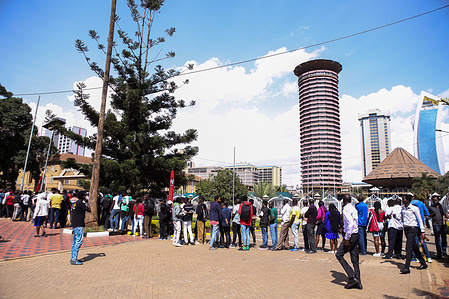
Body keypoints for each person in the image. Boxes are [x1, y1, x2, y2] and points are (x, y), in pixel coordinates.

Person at [336, 194, 362, 290]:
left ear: (343, 201)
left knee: (339, 254)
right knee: (354, 258)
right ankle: (358, 282)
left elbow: (350, 224)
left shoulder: (346, 209)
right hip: (356, 234)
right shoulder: (353, 208)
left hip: (351, 235)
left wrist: (347, 238)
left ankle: (352, 276)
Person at [400, 193, 427, 274]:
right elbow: (401, 218)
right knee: (414, 246)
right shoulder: (403, 209)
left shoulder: (414, 208)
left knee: (408, 247)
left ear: (408, 200)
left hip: (413, 228)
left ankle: (407, 267)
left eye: (404, 199)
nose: (403, 200)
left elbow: (419, 219)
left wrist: (422, 230)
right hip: (406, 228)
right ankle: (423, 263)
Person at [70, 190, 91, 265]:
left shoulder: (75, 203)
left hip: (74, 224)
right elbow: (89, 209)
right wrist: (87, 202)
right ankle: (74, 259)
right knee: (79, 241)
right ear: (83, 197)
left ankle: (73, 257)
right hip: (79, 224)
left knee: (75, 241)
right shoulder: (81, 204)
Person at [410, 195, 431, 263]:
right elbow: (427, 213)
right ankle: (427, 257)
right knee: (422, 241)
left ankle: (414, 257)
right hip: (421, 225)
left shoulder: (409, 204)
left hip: (413, 225)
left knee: (414, 241)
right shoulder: (421, 203)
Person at [428, 192, 448, 259]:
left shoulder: (443, 207)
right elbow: (428, 215)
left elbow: (446, 215)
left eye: (436, 198)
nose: (435, 199)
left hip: (443, 224)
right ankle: (439, 252)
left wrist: (446, 218)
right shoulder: (431, 207)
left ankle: (444, 251)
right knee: (437, 239)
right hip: (436, 224)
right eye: (434, 198)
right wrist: (432, 215)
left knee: (444, 238)